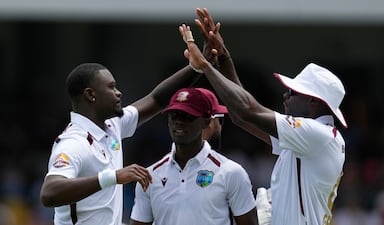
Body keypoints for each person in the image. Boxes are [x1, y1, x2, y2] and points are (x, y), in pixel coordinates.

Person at [178, 8, 347, 225]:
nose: (286, 95)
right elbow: (242, 117)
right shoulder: (309, 138)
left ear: (314, 101)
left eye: (293, 92)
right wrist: (223, 57)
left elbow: (249, 110)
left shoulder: (318, 135)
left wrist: (206, 67)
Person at [39, 62, 205, 225]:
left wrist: (197, 66)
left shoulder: (112, 126)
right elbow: (49, 193)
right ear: (91, 95)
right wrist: (114, 176)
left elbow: (157, 99)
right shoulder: (74, 142)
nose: (118, 93)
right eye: (111, 87)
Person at [129, 87, 258, 225]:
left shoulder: (231, 172)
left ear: (206, 122)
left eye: (188, 116)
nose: (179, 121)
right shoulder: (150, 175)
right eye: (174, 115)